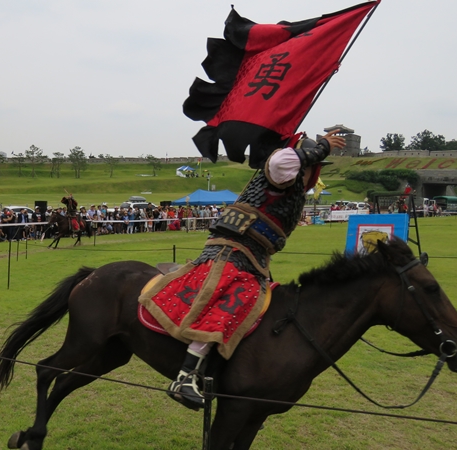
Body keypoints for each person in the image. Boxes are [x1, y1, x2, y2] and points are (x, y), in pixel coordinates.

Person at [139, 129, 345, 410]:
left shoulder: (293, 185)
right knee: (231, 301)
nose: (314, 176)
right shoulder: (280, 172)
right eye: (313, 167)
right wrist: (322, 146)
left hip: (255, 257)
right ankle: (186, 376)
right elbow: (280, 160)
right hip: (231, 251)